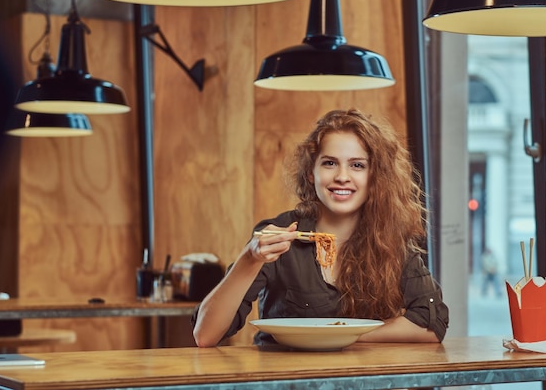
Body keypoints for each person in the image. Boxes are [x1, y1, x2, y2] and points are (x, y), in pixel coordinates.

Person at [192, 108, 449, 347]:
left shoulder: (389, 239)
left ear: (374, 178)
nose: (342, 176)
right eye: (329, 163)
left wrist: (346, 336)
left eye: (357, 165)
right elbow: (205, 335)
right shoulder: (278, 233)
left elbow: (432, 326)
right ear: (310, 173)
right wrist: (249, 258)